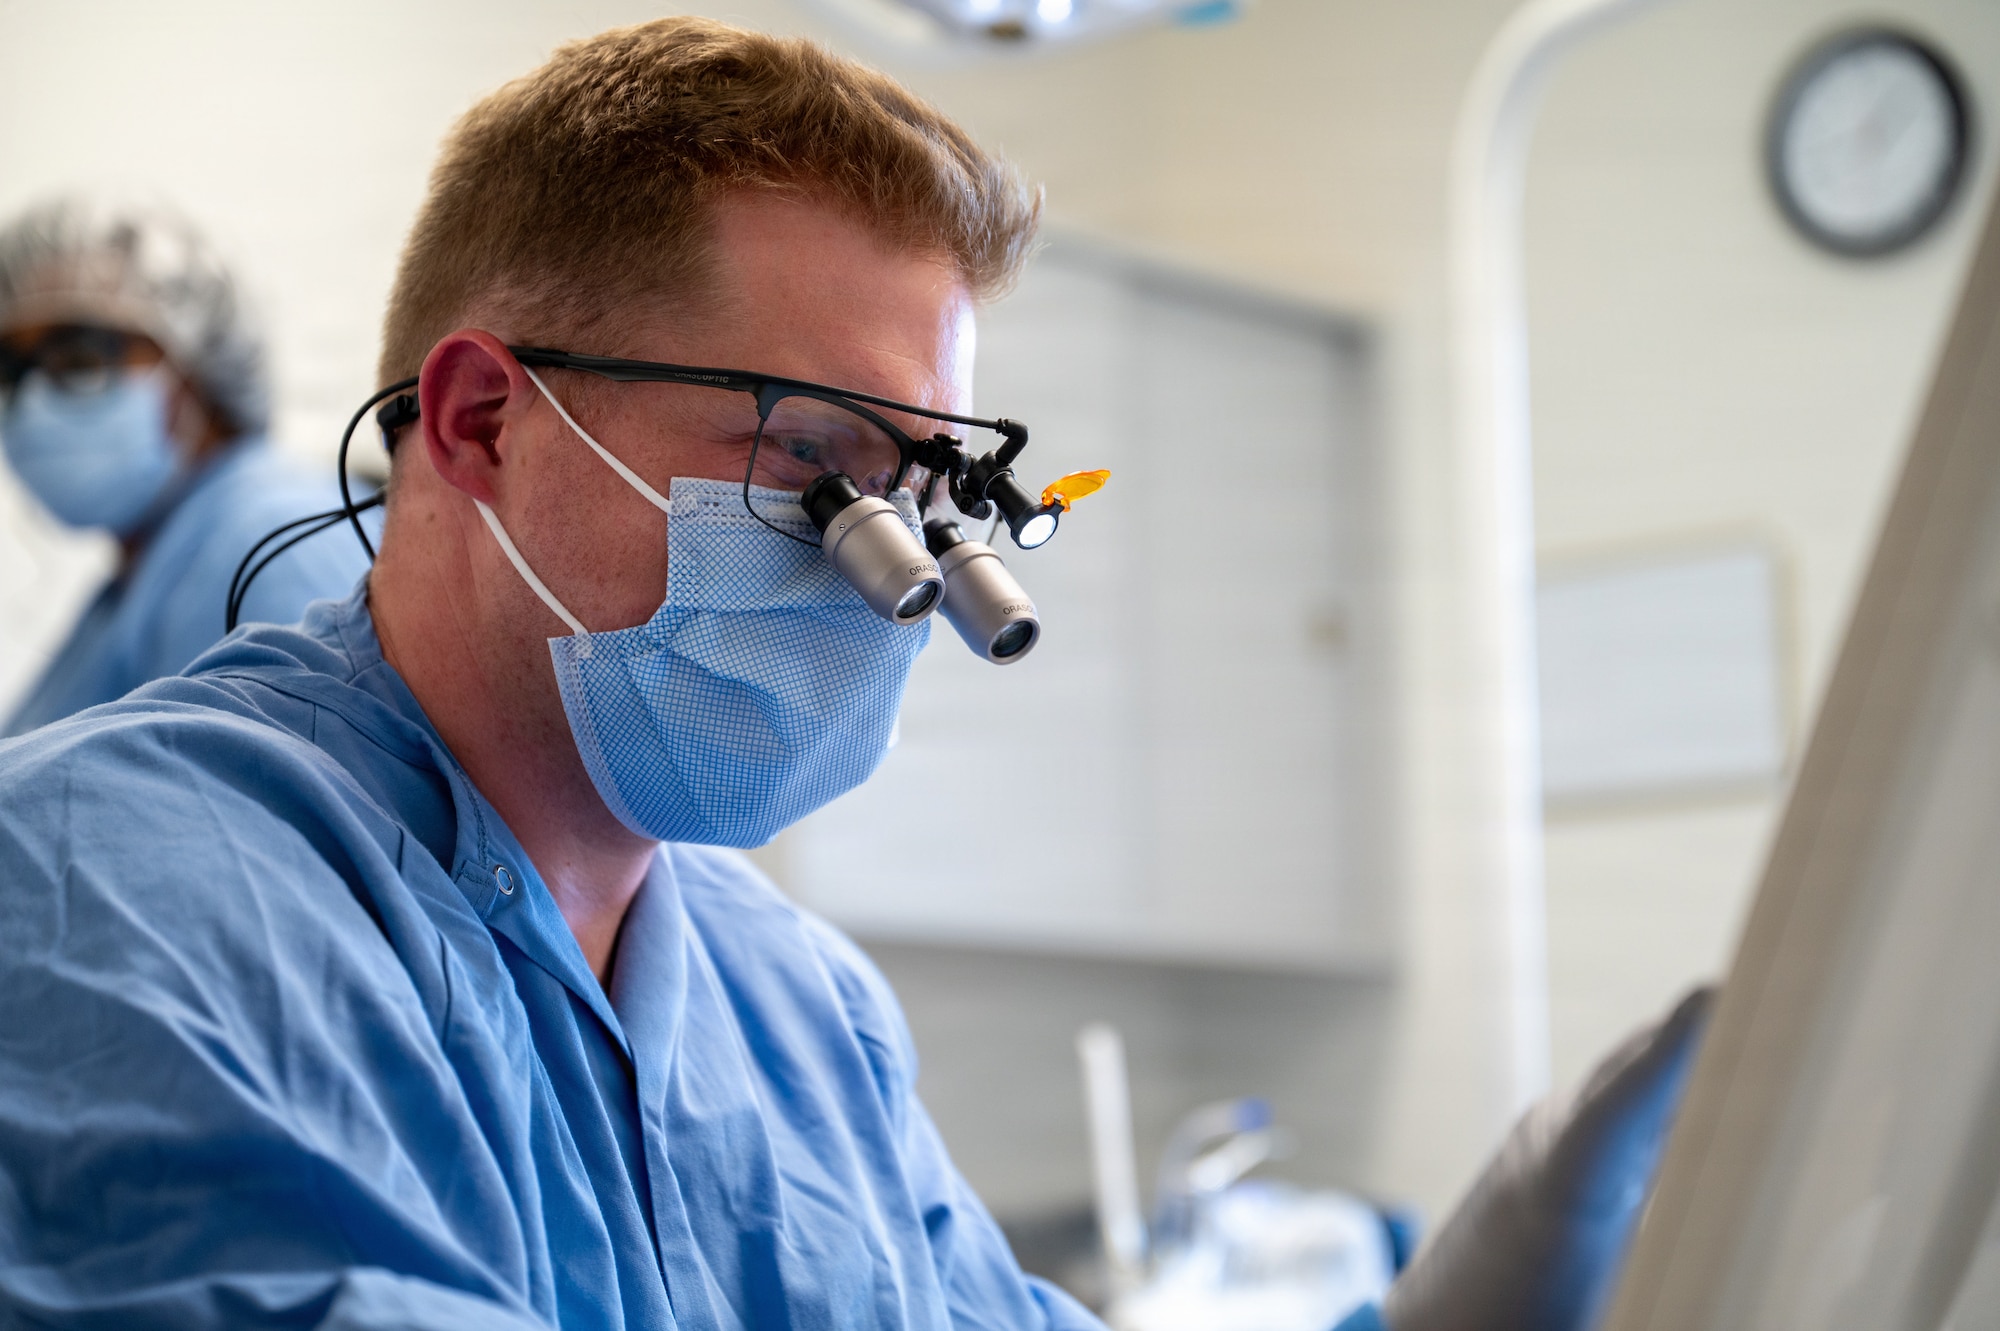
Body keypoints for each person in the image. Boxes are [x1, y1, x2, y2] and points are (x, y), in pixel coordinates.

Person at [0, 20, 1701, 1330]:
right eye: (810, 460)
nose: (876, 573)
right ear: (483, 420)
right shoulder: (107, 894)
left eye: (918, 494)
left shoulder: (798, 1009)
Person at [0, 197, 372, 736]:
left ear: (193, 362)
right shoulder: (155, 568)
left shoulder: (275, 542)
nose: (33, 403)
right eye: (11, 370)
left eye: (79, 358)